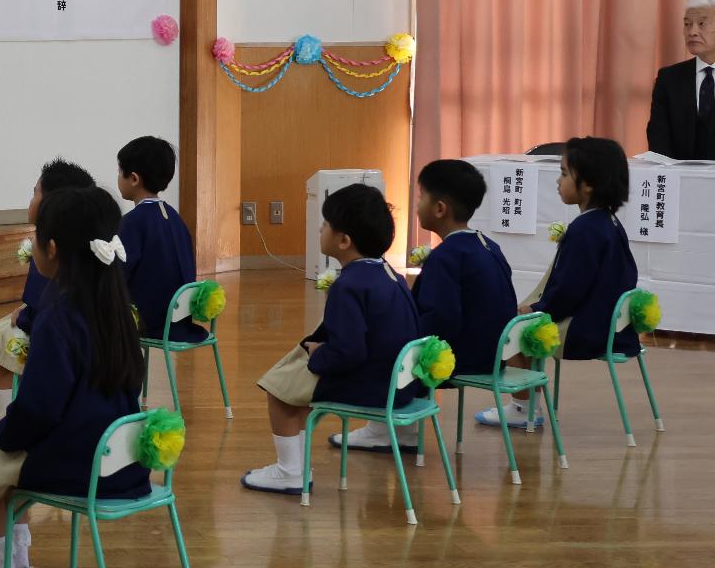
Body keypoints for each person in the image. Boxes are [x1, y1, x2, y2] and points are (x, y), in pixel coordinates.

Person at [0, 187, 150, 568]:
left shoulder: (58, 317)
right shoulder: (115, 305)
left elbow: (40, 408)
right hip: (121, 459)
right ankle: (16, 563)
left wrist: (2, 434)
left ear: (52, 248)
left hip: (78, 463)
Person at [242, 184, 419, 495]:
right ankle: (293, 467)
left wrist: (318, 354)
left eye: (325, 224)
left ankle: (290, 472)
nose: (320, 228)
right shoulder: (391, 274)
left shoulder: (349, 286)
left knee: (279, 389)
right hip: (399, 383)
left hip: (373, 385)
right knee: (297, 383)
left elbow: (348, 352)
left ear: (344, 240)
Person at [340, 160, 512, 451]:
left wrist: (400, 339)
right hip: (495, 353)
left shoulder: (447, 257)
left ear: (440, 208)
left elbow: (439, 319)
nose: (416, 204)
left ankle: (386, 428)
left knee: (383, 346)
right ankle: (400, 428)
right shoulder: (487, 245)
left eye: (421, 197)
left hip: (465, 357)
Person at [481, 137, 639, 428]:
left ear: (588, 184)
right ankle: (528, 404)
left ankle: (523, 407)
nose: (558, 180)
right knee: (520, 318)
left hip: (587, 329)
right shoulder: (608, 222)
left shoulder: (585, 230)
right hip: (610, 324)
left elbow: (569, 290)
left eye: (565, 174)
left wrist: (538, 310)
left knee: (510, 326)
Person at [0, 159, 96, 415]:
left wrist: (26, 314)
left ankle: (3, 415)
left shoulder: (52, 248)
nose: (31, 200)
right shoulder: (88, 242)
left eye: (35, 192)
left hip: (55, 341)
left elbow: (47, 309)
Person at [115, 136, 202, 344]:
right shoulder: (175, 218)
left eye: (119, 171)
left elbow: (117, 273)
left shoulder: (133, 222)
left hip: (149, 322)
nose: (117, 177)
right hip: (180, 320)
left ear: (134, 178)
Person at [645, 0, 715, 160]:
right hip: (679, 179)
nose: (692, 32)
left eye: (702, 24)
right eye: (687, 24)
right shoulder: (669, 78)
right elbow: (658, 135)